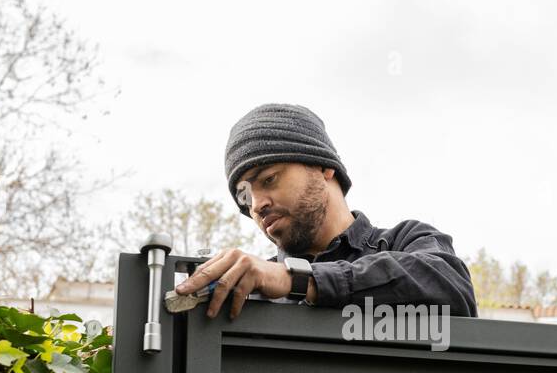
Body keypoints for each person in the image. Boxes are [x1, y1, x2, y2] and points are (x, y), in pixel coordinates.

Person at [174, 103, 478, 319]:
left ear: (324, 168)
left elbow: (452, 289)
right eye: (245, 195)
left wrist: (299, 281)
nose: (256, 204)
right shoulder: (246, 291)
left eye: (269, 179)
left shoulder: (406, 241)